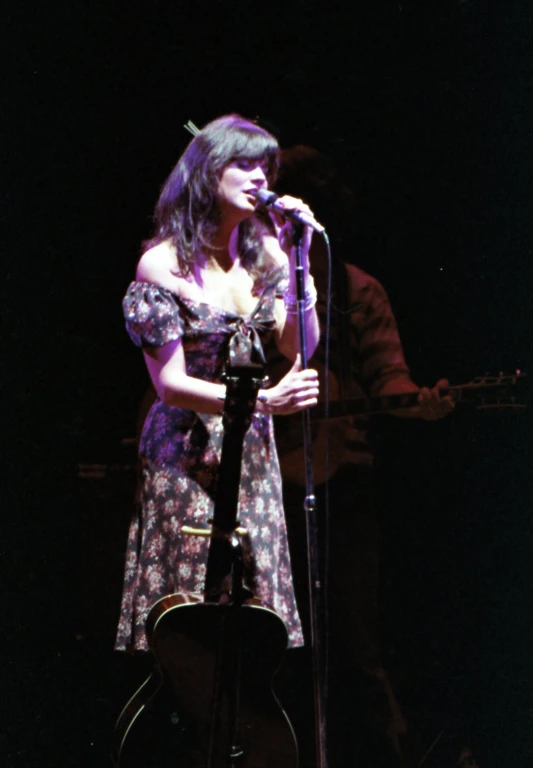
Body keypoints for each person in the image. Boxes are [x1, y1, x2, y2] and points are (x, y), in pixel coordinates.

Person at [269, 145, 454, 768]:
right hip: (265, 493)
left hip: (343, 487)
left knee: (357, 648)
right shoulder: (246, 288)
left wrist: (421, 403)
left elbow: (390, 382)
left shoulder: (356, 288)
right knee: (273, 651)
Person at [114, 116, 320, 656]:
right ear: (208, 173)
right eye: (244, 164)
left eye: (266, 167)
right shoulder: (161, 265)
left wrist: (299, 265)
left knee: (248, 614)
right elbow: (171, 385)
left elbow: (298, 347)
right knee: (189, 613)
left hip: (250, 452)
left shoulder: (266, 256)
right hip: (185, 454)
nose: (260, 177)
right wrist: (264, 401)